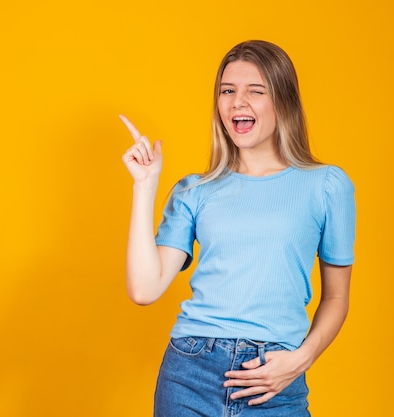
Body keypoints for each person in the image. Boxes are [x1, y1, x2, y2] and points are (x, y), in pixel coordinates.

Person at [120, 40, 355, 417]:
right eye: (227, 91)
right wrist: (145, 186)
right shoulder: (194, 191)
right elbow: (144, 289)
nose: (236, 102)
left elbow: (336, 299)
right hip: (190, 374)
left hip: (275, 379)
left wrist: (300, 360)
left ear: (283, 100)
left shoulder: (328, 185)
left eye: (255, 91)